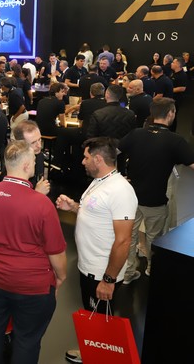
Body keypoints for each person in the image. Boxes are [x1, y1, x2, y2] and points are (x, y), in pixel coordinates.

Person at [0, 140, 67, 363]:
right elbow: (56, 252)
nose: (35, 163)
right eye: (33, 160)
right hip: (31, 287)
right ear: (25, 165)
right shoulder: (42, 204)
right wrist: (61, 277)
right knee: (27, 339)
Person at [56, 137, 137, 364]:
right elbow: (95, 213)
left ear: (98, 159)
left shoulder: (121, 191)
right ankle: (92, 351)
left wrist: (108, 280)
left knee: (101, 320)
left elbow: (123, 240)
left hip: (102, 273)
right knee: (95, 316)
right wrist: (74, 207)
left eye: (86, 157)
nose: (82, 162)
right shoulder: (100, 181)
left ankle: (99, 356)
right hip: (89, 268)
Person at [119, 98, 194, 283]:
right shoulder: (176, 141)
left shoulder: (136, 134)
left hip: (131, 198)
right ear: (170, 113)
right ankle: (152, 269)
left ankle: (127, 273)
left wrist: (119, 176)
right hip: (156, 200)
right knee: (155, 237)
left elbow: (112, 153)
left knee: (129, 236)